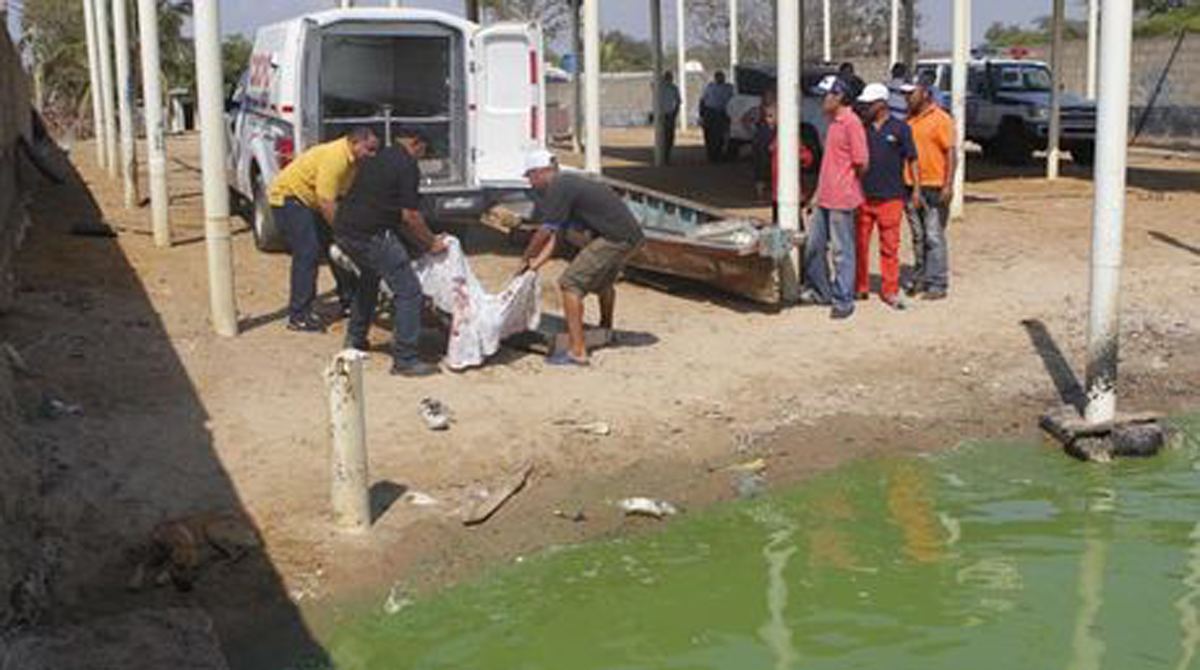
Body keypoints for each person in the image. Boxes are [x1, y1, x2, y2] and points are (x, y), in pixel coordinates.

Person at [334, 128, 447, 377]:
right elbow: (410, 215)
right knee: (409, 292)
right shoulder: (407, 165)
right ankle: (405, 359)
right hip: (370, 234)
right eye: (423, 151)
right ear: (416, 143)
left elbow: (387, 207)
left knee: (370, 279)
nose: (422, 157)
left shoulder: (379, 158)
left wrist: (414, 244)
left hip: (344, 229)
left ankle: (355, 339)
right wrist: (431, 243)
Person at [518, 150, 645, 367]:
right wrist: (534, 266)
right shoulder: (567, 184)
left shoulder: (559, 186)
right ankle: (606, 331)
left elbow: (545, 232)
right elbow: (557, 237)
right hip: (631, 237)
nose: (530, 182)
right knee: (603, 283)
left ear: (541, 172)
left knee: (570, 284)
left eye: (530, 176)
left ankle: (578, 351)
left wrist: (525, 258)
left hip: (613, 238)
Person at [269, 127, 379, 332]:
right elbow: (326, 202)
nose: (373, 155)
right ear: (355, 143)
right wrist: (343, 231)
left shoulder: (356, 161)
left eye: (375, 150)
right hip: (289, 198)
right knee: (308, 253)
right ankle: (299, 315)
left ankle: (349, 301)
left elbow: (345, 197)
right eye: (369, 149)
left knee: (337, 250)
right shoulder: (336, 158)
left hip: (311, 201)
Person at [803, 76, 868, 320]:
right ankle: (822, 292)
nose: (823, 99)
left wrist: (846, 185)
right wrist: (817, 195)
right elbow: (828, 165)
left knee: (842, 252)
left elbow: (862, 162)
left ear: (839, 96)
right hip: (825, 198)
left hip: (842, 199)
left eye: (826, 95)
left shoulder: (851, 123)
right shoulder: (833, 123)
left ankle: (843, 300)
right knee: (813, 247)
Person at [855, 83, 919, 310]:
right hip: (864, 197)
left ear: (881, 104)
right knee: (860, 244)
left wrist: (916, 190)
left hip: (892, 197)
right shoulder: (861, 129)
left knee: (890, 246)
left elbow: (912, 159)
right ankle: (860, 286)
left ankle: (889, 289)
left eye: (869, 104)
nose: (865, 108)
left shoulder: (901, 129)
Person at [903, 80, 956, 301]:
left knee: (934, 236)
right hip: (910, 186)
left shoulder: (941, 119)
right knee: (918, 237)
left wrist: (948, 184)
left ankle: (937, 282)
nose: (907, 98)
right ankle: (921, 278)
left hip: (934, 186)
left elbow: (951, 154)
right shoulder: (908, 121)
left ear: (924, 93)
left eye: (911, 93)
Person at [699, 70, 735, 163]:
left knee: (721, 136)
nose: (720, 78)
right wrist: (702, 114)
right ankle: (711, 155)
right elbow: (702, 100)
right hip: (710, 113)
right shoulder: (709, 87)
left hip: (723, 113)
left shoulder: (729, 87)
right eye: (718, 77)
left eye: (721, 77)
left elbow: (734, 100)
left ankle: (719, 155)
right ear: (715, 78)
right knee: (710, 136)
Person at [658, 72, 682, 164]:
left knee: (669, 136)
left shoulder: (674, 88)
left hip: (670, 114)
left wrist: (675, 113)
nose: (669, 79)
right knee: (663, 136)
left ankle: (666, 156)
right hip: (663, 115)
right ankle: (663, 156)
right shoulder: (660, 88)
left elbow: (678, 102)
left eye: (670, 77)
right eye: (668, 77)